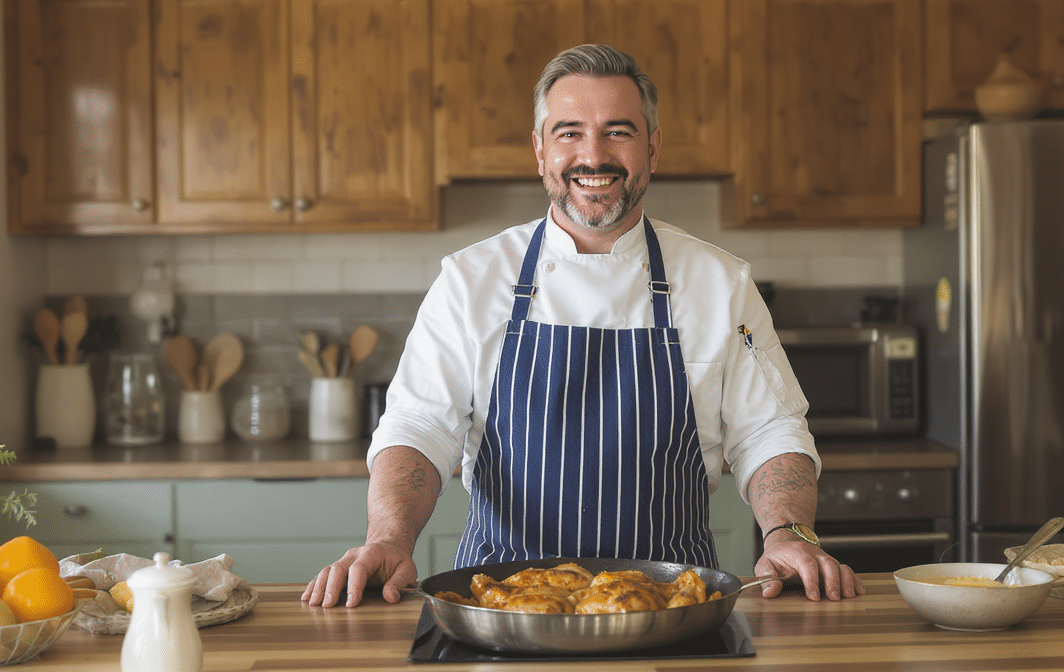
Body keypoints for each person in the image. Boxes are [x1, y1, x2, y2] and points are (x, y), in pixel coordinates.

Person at [302, 44, 864, 608]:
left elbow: (770, 432)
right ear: (540, 150)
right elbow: (419, 427)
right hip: (498, 605)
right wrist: (388, 538)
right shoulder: (469, 280)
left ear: (653, 147)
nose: (593, 155)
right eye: (569, 132)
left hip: (672, 607)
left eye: (618, 131)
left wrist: (789, 534)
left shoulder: (721, 283)